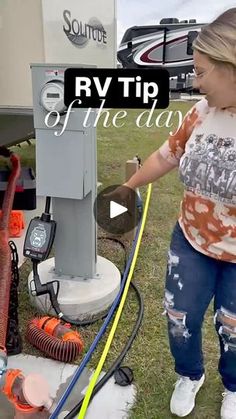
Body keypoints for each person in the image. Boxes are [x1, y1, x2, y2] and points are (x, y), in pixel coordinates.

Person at [114, 7, 236, 419]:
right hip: (191, 241)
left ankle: (234, 385)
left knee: (233, 327)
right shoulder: (199, 114)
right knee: (178, 316)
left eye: (202, 73)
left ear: (231, 66)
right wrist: (127, 188)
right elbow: (167, 156)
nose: (196, 82)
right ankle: (190, 374)